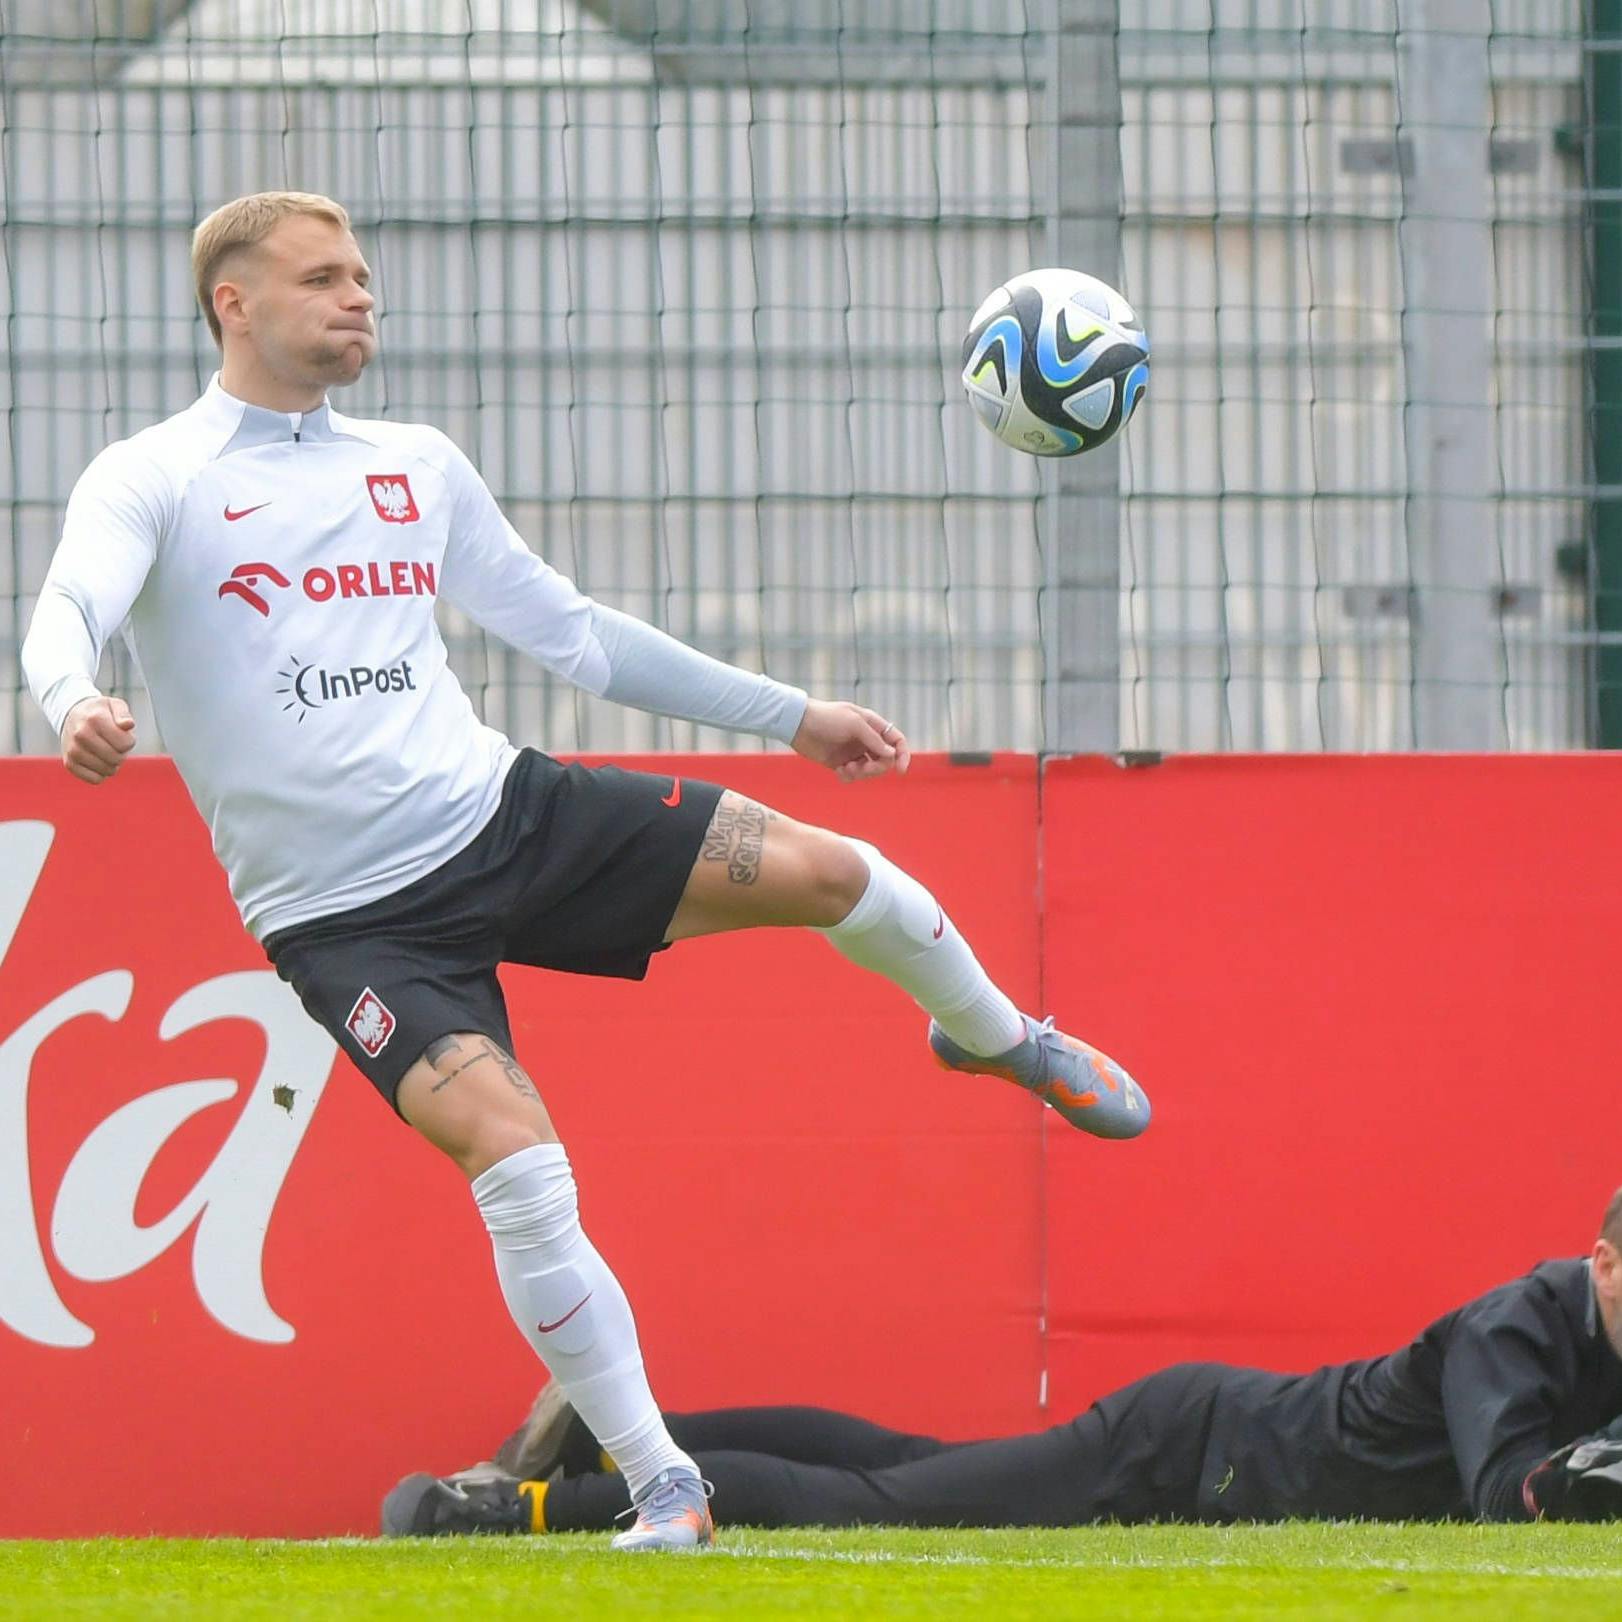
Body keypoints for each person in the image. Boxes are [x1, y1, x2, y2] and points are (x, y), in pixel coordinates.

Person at [21, 190, 1149, 1555]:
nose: (360, 297)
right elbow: (70, 601)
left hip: (503, 813)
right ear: (234, 304)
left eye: (365, 273)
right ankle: (666, 1486)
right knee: (521, 1163)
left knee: (832, 869)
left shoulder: (415, 462)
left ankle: (999, 1036)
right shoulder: (154, 473)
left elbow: (571, 632)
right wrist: (68, 697)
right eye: (324, 278)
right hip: (346, 920)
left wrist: (789, 713)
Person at [383, 1188, 1622, 1535]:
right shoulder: (1510, 1323)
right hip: (1188, 1453)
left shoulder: (1591, 1339)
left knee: (910, 1463)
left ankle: (615, 1429)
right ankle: (491, 1512)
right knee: (872, 1505)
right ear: (1600, 1261)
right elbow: (1503, 1488)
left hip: (1200, 1447)